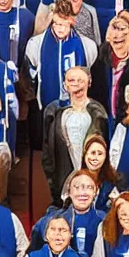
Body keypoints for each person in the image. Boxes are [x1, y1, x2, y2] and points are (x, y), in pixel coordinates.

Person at [43, 67, 108, 205]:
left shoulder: (98, 112)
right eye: (71, 80)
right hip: (63, 173)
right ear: (65, 84)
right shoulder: (54, 111)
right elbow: (48, 149)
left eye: (81, 80)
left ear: (89, 82)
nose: (76, 84)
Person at [26, 0, 98, 112]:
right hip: (47, 107)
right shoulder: (36, 45)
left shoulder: (87, 46)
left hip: (77, 108)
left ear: (72, 21)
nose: (60, 29)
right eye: (57, 24)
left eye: (65, 25)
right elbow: (31, 78)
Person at [90, 11, 129, 130]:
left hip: (128, 124)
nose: (118, 37)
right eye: (114, 31)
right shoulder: (99, 59)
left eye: (122, 31)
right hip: (101, 123)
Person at [30, 170, 105, 257]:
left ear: (95, 191)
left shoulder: (105, 220)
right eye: (77, 187)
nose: (82, 193)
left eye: (88, 187)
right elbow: (33, 254)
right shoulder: (51, 220)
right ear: (69, 192)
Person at [19, 215, 92, 257]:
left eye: (63, 230)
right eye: (53, 229)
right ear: (46, 235)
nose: (58, 234)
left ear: (71, 235)